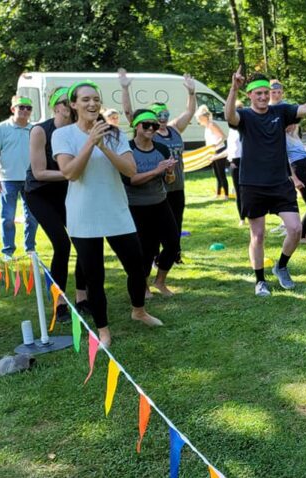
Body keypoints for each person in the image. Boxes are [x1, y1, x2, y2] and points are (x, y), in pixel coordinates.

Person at [54, 81, 163, 347]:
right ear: (73, 104)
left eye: (96, 99)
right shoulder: (63, 135)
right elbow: (70, 173)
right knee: (94, 276)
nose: (92, 104)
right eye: (85, 99)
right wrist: (90, 143)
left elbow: (129, 170)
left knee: (137, 267)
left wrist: (104, 146)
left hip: (116, 211)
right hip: (83, 215)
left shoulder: (114, 134)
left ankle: (139, 310)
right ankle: (103, 330)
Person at [223, 68, 306, 296]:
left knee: (295, 229)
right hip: (252, 183)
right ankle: (260, 280)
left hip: (280, 183)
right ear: (250, 95)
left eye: (266, 93)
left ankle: (281, 266)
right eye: (258, 93)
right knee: (257, 235)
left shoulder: (281, 111)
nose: (263, 97)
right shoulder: (245, 116)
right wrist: (233, 88)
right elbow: (229, 117)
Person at [118, 68, 196, 262]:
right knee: (151, 231)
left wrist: (191, 92)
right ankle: (153, 258)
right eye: (157, 115)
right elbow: (129, 113)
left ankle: (172, 256)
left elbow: (190, 112)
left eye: (165, 114)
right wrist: (125, 88)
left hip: (176, 185)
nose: (161, 119)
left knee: (175, 225)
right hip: (154, 190)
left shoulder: (175, 129)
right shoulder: (146, 131)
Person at [24, 86, 87, 321]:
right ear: (55, 106)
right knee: (62, 244)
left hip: (66, 191)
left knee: (84, 239)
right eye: (64, 101)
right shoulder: (41, 130)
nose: (68, 105)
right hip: (39, 193)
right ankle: (59, 301)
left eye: (71, 100)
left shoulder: (77, 130)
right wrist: (71, 172)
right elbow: (39, 173)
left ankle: (82, 296)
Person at [123, 109, 180, 297]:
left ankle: (160, 281)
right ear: (135, 126)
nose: (151, 128)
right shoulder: (127, 149)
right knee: (146, 249)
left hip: (160, 202)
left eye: (154, 125)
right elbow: (131, 180)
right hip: (136, 206)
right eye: (146, 124)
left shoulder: (161, 149)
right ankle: (144, 285)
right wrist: (157, 171)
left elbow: (168, 180)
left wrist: (169, 172)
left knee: (173, 243)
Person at [0, 95, 38, 259]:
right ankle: (8, 251)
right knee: (7, 218)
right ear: (13, 109)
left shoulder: (35, 129)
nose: (25, 110)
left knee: (32, 217)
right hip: (7, 179)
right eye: (21, 107)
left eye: (28, 108)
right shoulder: (1, 128)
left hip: (31, 179)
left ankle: (30, 249)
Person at [286, 125, 306, 243]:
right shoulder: (282, 138)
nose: (294, 126)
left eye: (295, 124)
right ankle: (301, 236)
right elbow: (286, 162)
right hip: (298, 170)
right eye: (291, 123)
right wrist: (295, 179)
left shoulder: (295, 136)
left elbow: (305, 157)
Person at [196, 105, 229, 199]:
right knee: (216, 174)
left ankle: (226, 195)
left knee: (221, 173)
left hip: (219, 150)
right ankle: (218, 194)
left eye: (199, 118)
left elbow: (223, 136)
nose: (198, 120)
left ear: (204, 117)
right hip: (212, 152)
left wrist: (215, 145)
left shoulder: (211, 124)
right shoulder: (206, 126)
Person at [227, 101, 246, 226]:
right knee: (239, 192)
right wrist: (230, 160)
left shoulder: (245, 126)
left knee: (248, 190)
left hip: (246, 161)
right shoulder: (231, 129)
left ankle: (251, 214)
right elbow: (231, 148)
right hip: (235, 162)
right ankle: (242, 217)